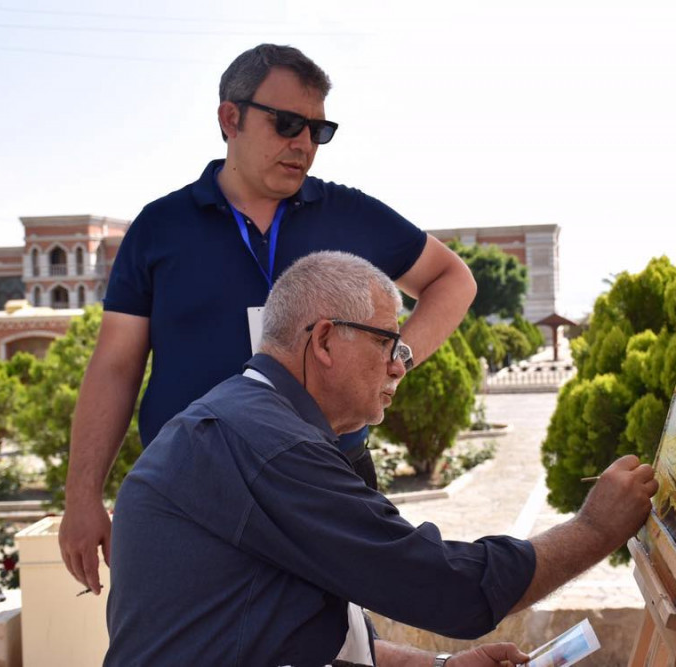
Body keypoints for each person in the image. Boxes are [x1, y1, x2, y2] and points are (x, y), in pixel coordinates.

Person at [60, 44, 477, 595]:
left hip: (328, 487)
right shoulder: (159, 228)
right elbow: (115, 366)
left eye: (318, 131)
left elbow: (453, 279)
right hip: (192, 493)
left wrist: (394, 358)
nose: (303, 144)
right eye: (286, 124)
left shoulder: (350, 214)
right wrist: (81, 496)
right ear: (229, 118)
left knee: (337, 638)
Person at [105, 252, 659, 666]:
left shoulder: (254, 419)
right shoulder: (270, 445)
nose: (400, 365)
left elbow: (293, 630)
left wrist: (435, 666)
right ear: (325, 341)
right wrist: (596, 528)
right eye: (388, 343)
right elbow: (452, 590)